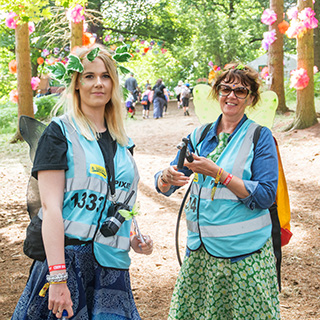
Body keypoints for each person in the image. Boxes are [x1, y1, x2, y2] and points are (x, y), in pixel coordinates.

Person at [12, 44, 153, 320]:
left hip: (111, 267)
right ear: (76, 84)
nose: (98, 83)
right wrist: (58, 278)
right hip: (66, 263)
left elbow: (116, 199)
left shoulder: (123, 141)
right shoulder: (59, 133)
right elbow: (51, 208)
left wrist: (134, 238)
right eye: (89, 76)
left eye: (105, 76)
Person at [155, 63, 280, 319]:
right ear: (217, 92)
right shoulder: (199, 135)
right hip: (200, 255)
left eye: (240, 91)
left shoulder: (260, 136)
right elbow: (167, 182)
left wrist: (219, 173)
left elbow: (266, 195)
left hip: (244, 257)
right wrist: (165, 178)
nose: (231, 96)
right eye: (225, 88)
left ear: (251, 98)